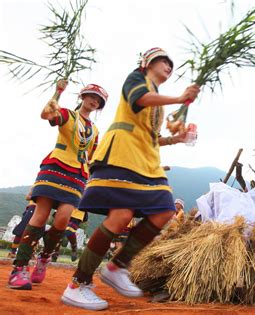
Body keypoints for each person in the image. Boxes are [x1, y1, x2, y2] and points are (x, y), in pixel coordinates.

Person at [61, 47, 200, 311]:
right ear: (147, 63)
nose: (168, 66)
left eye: (171, 64)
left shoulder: (156, 97)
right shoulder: (136, 80)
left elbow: (152, 137)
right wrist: (180, 98)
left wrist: (177, 139)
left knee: (163, 211)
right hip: (121, 155)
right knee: (121, 217)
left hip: (145, 161)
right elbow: (140, 99)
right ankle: (78, 285)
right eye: (163, 61)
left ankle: (116, 266)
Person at [8, 80, 108, 290]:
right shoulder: (67, 115)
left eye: (98, 100)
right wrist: (57, 92)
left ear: (99, 105)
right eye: (91, 96)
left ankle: (44, 258)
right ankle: (20, 268)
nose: (94, 101)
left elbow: (93, 156)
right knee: (40, 214)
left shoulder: (95, 130)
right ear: (83, 96)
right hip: (56, 167)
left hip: (78, 174)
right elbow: (46, 114)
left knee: (62, 219)